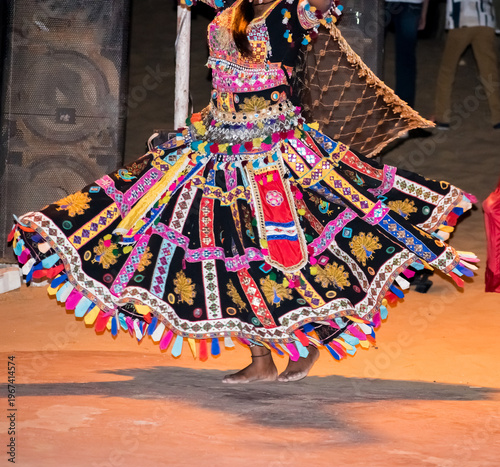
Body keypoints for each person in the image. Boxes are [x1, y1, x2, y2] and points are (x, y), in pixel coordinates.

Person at [11, 0, 477, 384]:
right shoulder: (225, 9)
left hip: (274, 154)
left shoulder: (294, 10)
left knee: (289, 251)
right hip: (214, 147)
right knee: (226, 253)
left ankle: (306, 343)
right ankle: (260, 360)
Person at [434, 0, 500, 129]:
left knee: (447, 70)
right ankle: (498, 117)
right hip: (485, 19)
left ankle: (442, 117)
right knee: (489, 71)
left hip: (462, 19)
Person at [385, 0, 430, 109]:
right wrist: (424, 13)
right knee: (406, 57)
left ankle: (366, 100)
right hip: (412, 5)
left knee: (370, 51)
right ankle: (404, 107)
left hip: (385, 4)